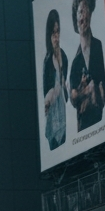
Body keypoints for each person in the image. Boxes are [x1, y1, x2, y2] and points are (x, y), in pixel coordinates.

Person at [68, 0, 105, 130]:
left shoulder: (99, 48)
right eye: (79, 12)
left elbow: (103, 97)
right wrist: (88, 91)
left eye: (85, 11)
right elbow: (73, 98)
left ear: (90, 12)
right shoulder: (76, 63)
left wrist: (89, 92)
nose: (82, 16)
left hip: (103, 126)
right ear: (76, 21)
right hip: (83, 130)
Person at [41, 8, 69, 150]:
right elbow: (46, 94)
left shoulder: (64, 56)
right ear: (49, 35)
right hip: (53, 122)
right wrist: (51, 96)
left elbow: (66, 91)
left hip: (63, 118)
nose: (56, 37)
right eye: (53, 33)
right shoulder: (47, 62)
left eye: (58, 32)